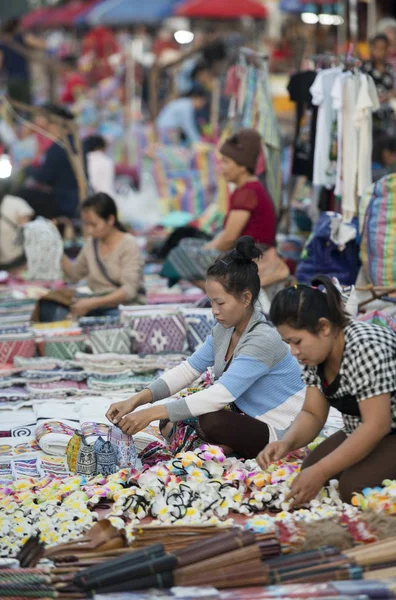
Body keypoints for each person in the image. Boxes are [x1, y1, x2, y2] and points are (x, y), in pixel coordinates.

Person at [106, 236, 305, 458]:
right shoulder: (224, 330)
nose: (214, 310)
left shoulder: (262, 339)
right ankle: (221, 449)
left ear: (246, 298)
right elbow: (188, 370)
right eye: (211, 302)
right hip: (245, 416)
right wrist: (135, 401)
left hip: (279, 430)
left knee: (209, 418)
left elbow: (220, 395)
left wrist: (149, 413)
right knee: (173, 415)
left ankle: (218, 448)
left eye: (220, 303)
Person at [257, 276, 396, 505]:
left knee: (352, 488)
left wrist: (322, 471)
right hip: (363, 428)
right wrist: (287, 442)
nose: (293, 351)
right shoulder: (316, 354)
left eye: (297, 341)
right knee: (309, 470)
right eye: (288, 342)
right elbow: (313, 413)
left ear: (324, 327)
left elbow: (376, 425)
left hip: (387, 428)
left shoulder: (365, 347)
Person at [162, 129, 277, 289]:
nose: (220, 167)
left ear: (242, 166)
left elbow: (229, 238)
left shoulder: (247, 192)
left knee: (179, 255)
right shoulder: (246, 189)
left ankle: (223, 295)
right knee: (186, 244)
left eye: (226, 162)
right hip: (242, 252)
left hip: (249, 257)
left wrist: (203, 251)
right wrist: (203, 249)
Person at [61, 193, 144, 317]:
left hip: (125, 308)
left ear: (110, 220)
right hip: (98, 306)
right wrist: (57, 251)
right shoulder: (91, 244)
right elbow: (74, 275)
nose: (89, 230)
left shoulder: (128, 244)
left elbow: (129, 291)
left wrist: (92, 304)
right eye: (86, 224)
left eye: (93, 225)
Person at [20, 104, 84, 219]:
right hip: (73, 198)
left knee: (21, 194)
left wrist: (27, 168)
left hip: (64, 202)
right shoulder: (74, 143)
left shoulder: (59, 147)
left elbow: (44, 177)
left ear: (56, 125)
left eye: (49, 125)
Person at [0, 17, 45, 104]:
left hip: (10, 80)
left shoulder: (2, 43)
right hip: (23, 78)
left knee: (15, 107)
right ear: (16, 27)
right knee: (29, 106)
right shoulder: (21, 37)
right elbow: (42, 45)